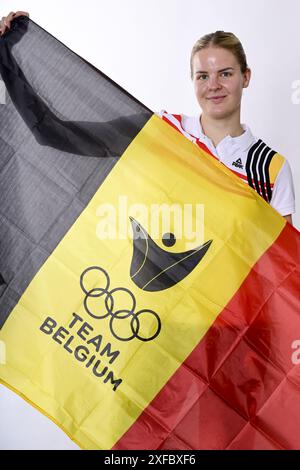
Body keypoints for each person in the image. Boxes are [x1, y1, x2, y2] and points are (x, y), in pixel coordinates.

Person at [0, 13, 295, 224]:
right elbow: (53, 133)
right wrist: (11, 56)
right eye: (203, 76)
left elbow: (280, 272)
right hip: (154, 305)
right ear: (192, 81)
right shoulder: (163, 131)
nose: (213, 85)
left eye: (226, 74)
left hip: (229, 310)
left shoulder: (271, 167)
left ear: (246, 77)